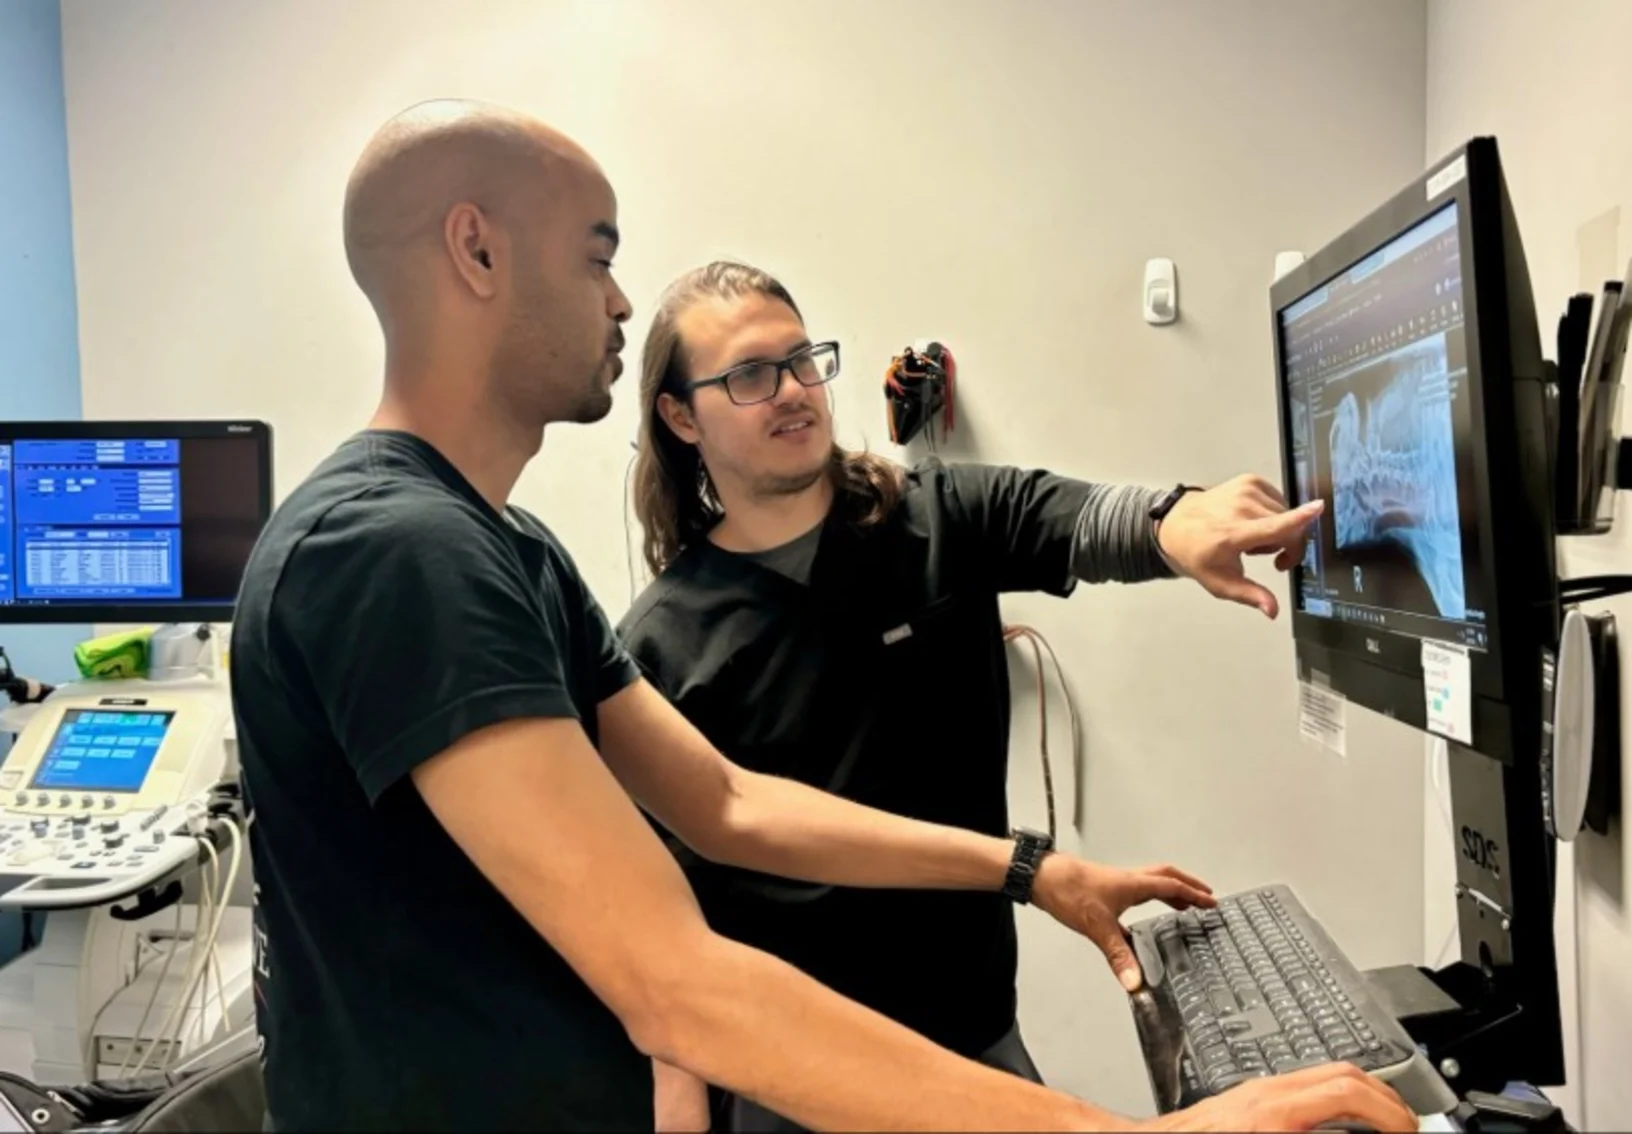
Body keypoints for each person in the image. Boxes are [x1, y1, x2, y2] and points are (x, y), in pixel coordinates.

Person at [229, 98, 1416, 1134]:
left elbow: (729, 804)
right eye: (597, 256)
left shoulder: (505, 550)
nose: (622, 297)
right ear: (476, 251)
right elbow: (677, 979)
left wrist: (1030, 869)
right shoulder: (392, 551)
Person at [618, 260, 1327, 1131]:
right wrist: (680, 1097)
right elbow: (661, 898)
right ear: (681, 415)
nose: (794, 392)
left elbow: (1069, 518)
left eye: (804, 360)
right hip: (798, 1078)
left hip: (975, 1036)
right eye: (751, 376)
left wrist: (1174, 520)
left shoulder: (931, 513)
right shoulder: (662, 641)